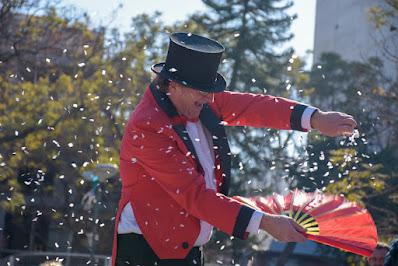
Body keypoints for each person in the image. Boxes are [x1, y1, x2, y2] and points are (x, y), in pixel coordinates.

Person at [111, 32, 357, 266]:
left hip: (183, 247)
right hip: (146, 247)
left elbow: (253, 106)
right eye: (202, 91)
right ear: (174, 85)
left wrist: (315, 118)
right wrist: (265, 222)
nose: (210, 98)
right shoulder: (147, 127)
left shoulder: (200, 101)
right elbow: (195, 196)